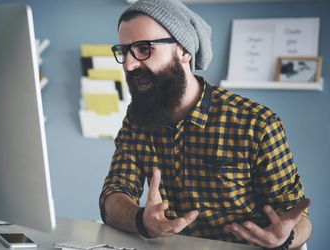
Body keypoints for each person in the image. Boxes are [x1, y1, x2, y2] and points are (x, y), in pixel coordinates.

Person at [99, 0, 312, 249]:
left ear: (184, 51)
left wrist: (285, 237)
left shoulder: (256, 123)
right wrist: (142, 220)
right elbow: (114, 194)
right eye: (124, 51)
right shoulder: (137, 119)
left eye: (144, 48)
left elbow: (298, 218)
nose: (129, 64)